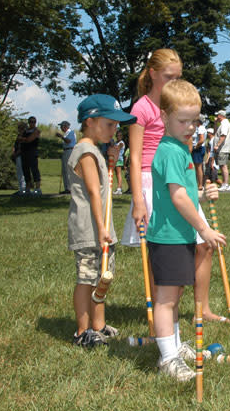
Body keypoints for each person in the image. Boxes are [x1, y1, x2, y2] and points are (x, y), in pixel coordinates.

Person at [120, 49, 222, 322]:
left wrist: (196, 186)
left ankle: (202, 308)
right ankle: (161, 311)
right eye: (169, 76)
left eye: (178, 76)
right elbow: (136, 155)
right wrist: (139, 200)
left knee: (203, 244)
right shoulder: (141, 108)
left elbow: (187, 151)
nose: (175, 82)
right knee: (162, 248)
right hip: (151, 182)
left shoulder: (181, 110)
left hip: (178, 180)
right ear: (152, 74)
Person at [147, 79, 225, 381]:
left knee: (174, 297)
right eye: (183, 121)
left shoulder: (180, 148)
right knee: (166, 299)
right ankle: (168, 359)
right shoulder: (169, 151)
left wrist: (203, 196)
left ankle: (175, 347)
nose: (191, 127)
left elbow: (183, 194)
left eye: (195, 121)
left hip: (178, 236)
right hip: (167, 236)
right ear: (164, 117)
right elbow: (178, 197)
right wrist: (204, 228)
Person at [68, 94, 136, 347]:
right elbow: (94, 192)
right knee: (87, 280)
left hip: (100, 228)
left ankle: (99, 326)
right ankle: (82, 331)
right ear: (90, 121)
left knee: (101, 279)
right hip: (90, 229)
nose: (115, 130)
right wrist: (101, 228)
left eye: (117, 125)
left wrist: (110, 158)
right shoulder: (84, 151)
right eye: (110, 124)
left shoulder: (94, 151)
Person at [18, 116, 42, 196]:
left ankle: (37, 188)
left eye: (33, 122)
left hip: (32, 152)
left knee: (34, 170)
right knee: (26, 170)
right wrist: (23, 138)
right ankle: (27, 188)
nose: (32, 123)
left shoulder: (36, 130)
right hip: (24, 153)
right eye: (30, 121)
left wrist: (23, 139)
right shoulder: (26, 131)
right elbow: (19, 138)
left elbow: (30, 139)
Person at [214, 110, 230, 191]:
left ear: (221, 116)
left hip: (223, 148)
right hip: (222, 149)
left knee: (223, 166)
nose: (216, 117)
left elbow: (223, 135)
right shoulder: (222, 124)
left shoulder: (224, 124)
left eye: (217, 115)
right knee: (222, 166)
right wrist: (215, 123)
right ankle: (225, 184)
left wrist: (217, 145)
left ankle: (225, 184)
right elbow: (215, 133)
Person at [56, 121, 77, 194]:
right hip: (66, 151)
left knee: (68, 169)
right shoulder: (66, 133)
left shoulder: (70, 132)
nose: (61, 128)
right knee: (64, 170)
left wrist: (61, 137)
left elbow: (68, 141)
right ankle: (67, 188)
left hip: (70, 151)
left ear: (65, 126)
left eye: (61, 126)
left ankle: (70, 188)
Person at [191, 117, 207, 190]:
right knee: (197, 167)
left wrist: (195, 147)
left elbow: (201, 140)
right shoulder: (199, 128)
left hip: (198, 149)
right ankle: (198, 184)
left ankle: (200, 185)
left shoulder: (200, 128)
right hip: (198, 148)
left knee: (198, 167)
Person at [12, 121, 27, 195]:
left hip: (22, 155)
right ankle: (21, 188)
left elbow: (23, 147)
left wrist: (16, 154)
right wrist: (13, 152)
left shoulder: (25, 136)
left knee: (22, 172)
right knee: (19, 172)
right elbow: (15, 145)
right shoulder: (18, 136)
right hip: (17, 155)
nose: (19, 129)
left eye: (20, 128)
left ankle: (23, 189)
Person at [113, 129, 125, 195]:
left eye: (120, 135)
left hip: (119, 159)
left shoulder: (121, 143)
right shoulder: (117, 142)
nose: (118, 137)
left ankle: (119, 189)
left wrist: (112, 144)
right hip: (116, 159)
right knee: (117, 174)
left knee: (118, 174)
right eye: (117, 135)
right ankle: (119, 187)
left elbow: (117, 149)